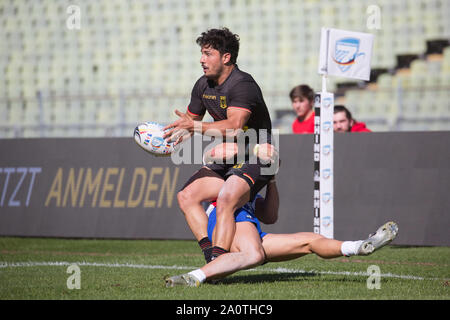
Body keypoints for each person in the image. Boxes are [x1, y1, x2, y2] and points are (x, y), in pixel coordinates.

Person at [162, 28, 275, 263]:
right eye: (202, 53)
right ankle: (212, 258)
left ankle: (220, 258)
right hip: (230, 155)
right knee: (186, 196)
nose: (201, 59)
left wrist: (194, 127)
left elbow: (234, 126)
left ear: (226, 57)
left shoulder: (243, 84)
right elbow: (190, 123)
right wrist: (168, 142)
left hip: (258, 155)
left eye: (208, 53)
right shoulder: (203, 85)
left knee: (227, 199)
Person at [165, 175, 399, 287]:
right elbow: (189, 197)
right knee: (252, 254)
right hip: (232, 222)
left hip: (252, 231)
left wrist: (271, 181)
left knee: (309, 241)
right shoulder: (223, 185)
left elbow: (270, 216)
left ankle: (358, 246)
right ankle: (195, 277)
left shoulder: (248, 191)